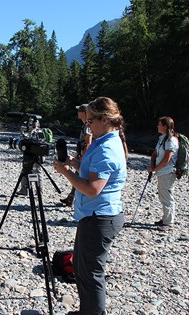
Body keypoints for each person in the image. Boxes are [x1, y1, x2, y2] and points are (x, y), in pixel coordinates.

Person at [54, 97, 126, 315]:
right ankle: (88, 310)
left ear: (104, 119)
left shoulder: (106, 148)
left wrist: (65, 172)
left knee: (91, 272)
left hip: (100, 217)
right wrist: (76, 164)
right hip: (95, 216)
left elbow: (93, 189)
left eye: (90, 121)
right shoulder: (104, 141)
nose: (88, 125)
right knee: (82, 269)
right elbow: (95, 174)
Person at [147, 116, 179, 231]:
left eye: (159, 124)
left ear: (165, 126)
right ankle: (165, 219)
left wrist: (154, 169)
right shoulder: (162, 138)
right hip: (162, 172)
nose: (157, 126)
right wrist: (152, 165)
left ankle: (168, 222)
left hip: (168, 172)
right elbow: (155, 153)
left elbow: (167, 159)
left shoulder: (171, 140)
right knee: (162, 195)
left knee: (167, 196)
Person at [60, 103, 93, 206]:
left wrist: (84, 157)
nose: (77, 113)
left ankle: (75, 199)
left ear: (84, 113)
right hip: (82, 153)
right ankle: (71, 198)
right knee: (78, 175)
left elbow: (88, 142)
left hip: (84, 155)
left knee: (80, 176)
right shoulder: (85, 125)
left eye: (79, 111)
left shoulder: (88, 125)